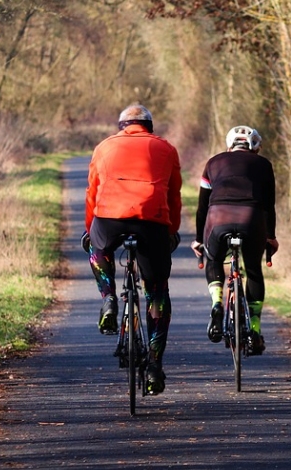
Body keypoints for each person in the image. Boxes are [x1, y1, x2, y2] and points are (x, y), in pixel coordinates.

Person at [82, 104, 182, 395]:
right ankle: (153, 365)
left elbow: (92, 191)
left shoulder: (104, 147)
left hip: (109, 218)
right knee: (157, 291)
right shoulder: (166, 149)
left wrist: (91, 230)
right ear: (148, 126)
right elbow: (173, 195)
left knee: (98, 250)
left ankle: (109, 298)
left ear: (121, 126)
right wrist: (171, 230)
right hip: (151, 222)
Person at [190, 125, 278, 355]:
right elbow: (269, 206)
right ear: (255, 147)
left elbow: (202, 208)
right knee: (253, 271)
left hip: (218, 218)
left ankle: (217, 303)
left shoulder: (213, 163)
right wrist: (271, 237)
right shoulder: (264, 165)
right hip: (252, 219)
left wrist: (199, 239)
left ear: (229, 144)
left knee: (214, 259)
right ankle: (256, 330)